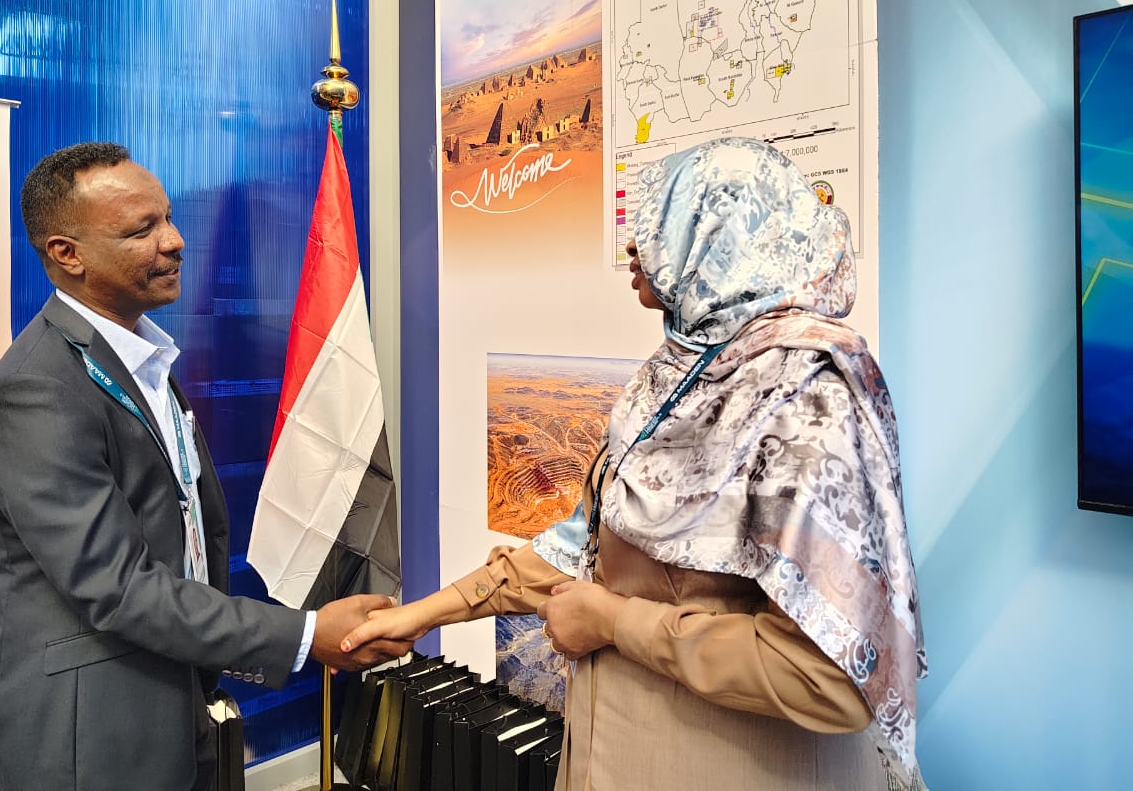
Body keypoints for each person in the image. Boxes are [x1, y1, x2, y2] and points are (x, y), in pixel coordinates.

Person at [342, 137, 927, 790]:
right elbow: (585, 544)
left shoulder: (806, 397)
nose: (634, 245)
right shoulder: (678, 376)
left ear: (725, 240)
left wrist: (615, 622)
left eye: (664, 219)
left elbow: (832, 677)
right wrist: (424, 614)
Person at [0, 142, 410, 791]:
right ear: (67, 253)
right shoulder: (36, 392)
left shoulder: (140, 357)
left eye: (168, 218)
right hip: (89, 738)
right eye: (140, 230)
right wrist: (304, 634)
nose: (173, 241)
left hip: (174, 698)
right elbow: (118, 587)